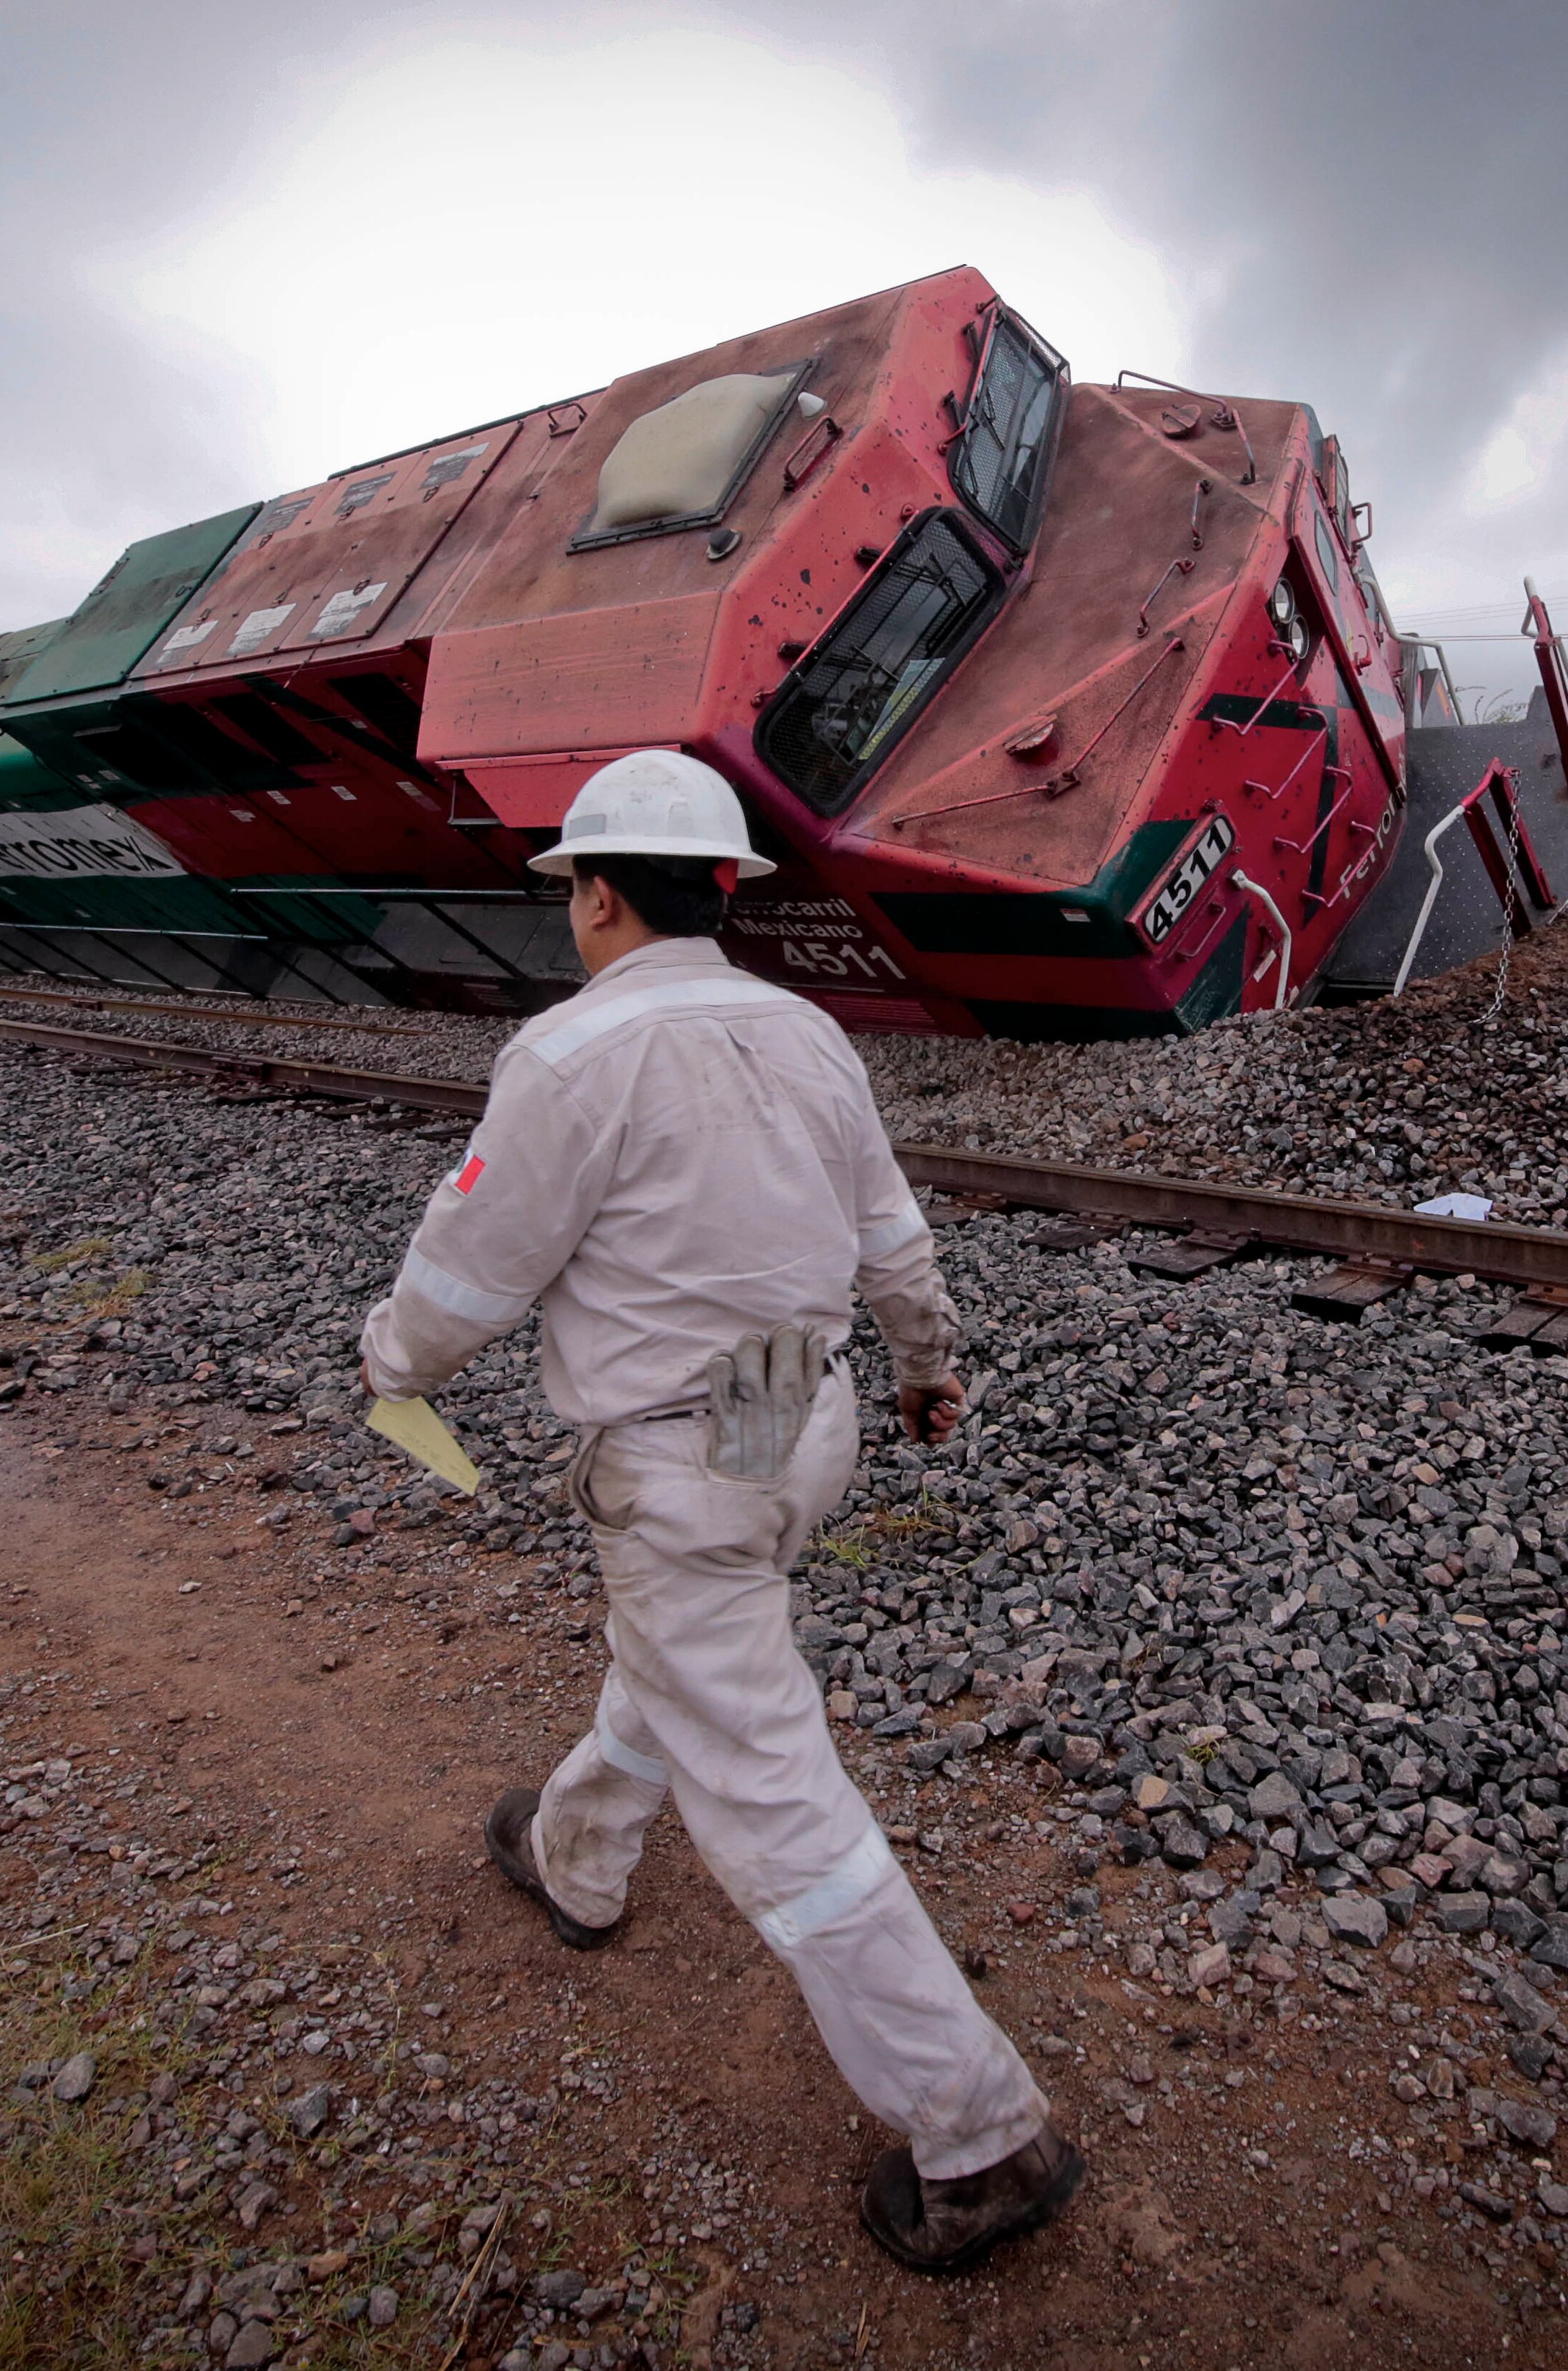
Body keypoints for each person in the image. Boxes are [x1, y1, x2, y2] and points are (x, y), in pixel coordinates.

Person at [356, 749, 1079, 2275]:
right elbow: (892, 1237)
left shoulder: (569, 1055)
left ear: (595, 894)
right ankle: (577, 1851)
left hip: (679, 1447)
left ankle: (977, 2129)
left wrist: (393, 1365)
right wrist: (927, 1368)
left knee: (762, 1768)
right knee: (699, 1636)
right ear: (726, 890)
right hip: (787, 1404)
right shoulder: (806, 1031)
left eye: (575, 885)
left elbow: (471, 1270)